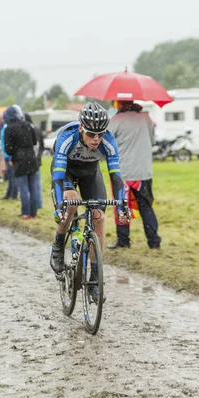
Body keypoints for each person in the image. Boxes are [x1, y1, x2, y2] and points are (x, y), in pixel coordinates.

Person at [49, 102, 128, 300]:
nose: (96, 139)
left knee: (99, 217)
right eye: (91, 134)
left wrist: (122, 205)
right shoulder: (67, 137)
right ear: (81, 128)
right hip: (66, 171)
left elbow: (116, 177)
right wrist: (60, 206)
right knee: (71, 203)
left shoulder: (108, 141)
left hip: (90, 172)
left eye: (100, 134)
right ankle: (58, 246)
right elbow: (58, 177)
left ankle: (94, 278)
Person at [106, 100, 161, 249]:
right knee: (146, 207)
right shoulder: (146, 118)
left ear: (119, 104)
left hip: (122, 173)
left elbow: (107, 144)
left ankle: (123, 241)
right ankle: (154, 241)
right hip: (143, 172)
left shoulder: (116, 120)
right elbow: (152, 140)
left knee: (122, 207)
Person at [4, 105, 40, 220]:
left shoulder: (9, 128)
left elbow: (8, 149)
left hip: (19, 160)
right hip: (32, 158)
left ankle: (25, 213)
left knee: (24, 188)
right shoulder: (28, 125)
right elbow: (34, 142)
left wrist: (15, 151)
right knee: (33, 187)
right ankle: (33, 214)